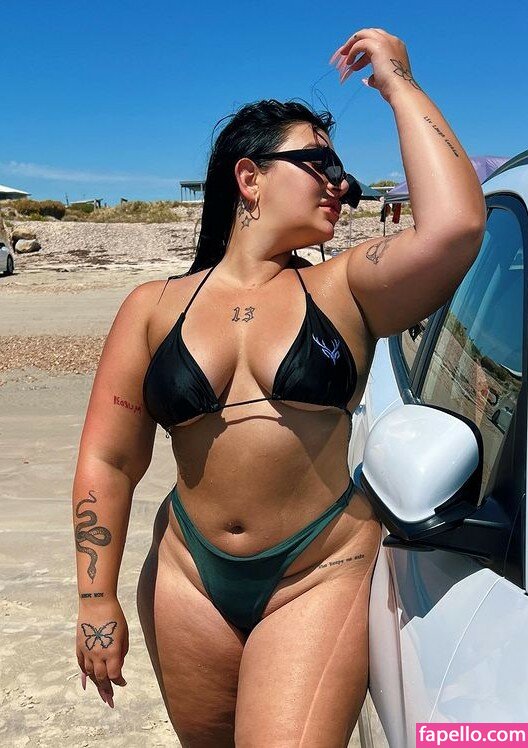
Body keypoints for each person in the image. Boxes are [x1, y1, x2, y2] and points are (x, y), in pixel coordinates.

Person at [73, 28, 486, 746]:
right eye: (320, 163)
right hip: (187, 578)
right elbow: (109, 460)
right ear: (250, 178)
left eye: (342, 171)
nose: (342, 184)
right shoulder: (152, 307)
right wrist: (94, 598)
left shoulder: (346, 287)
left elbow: (455, 227)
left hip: (318, 571)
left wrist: (397, 81)